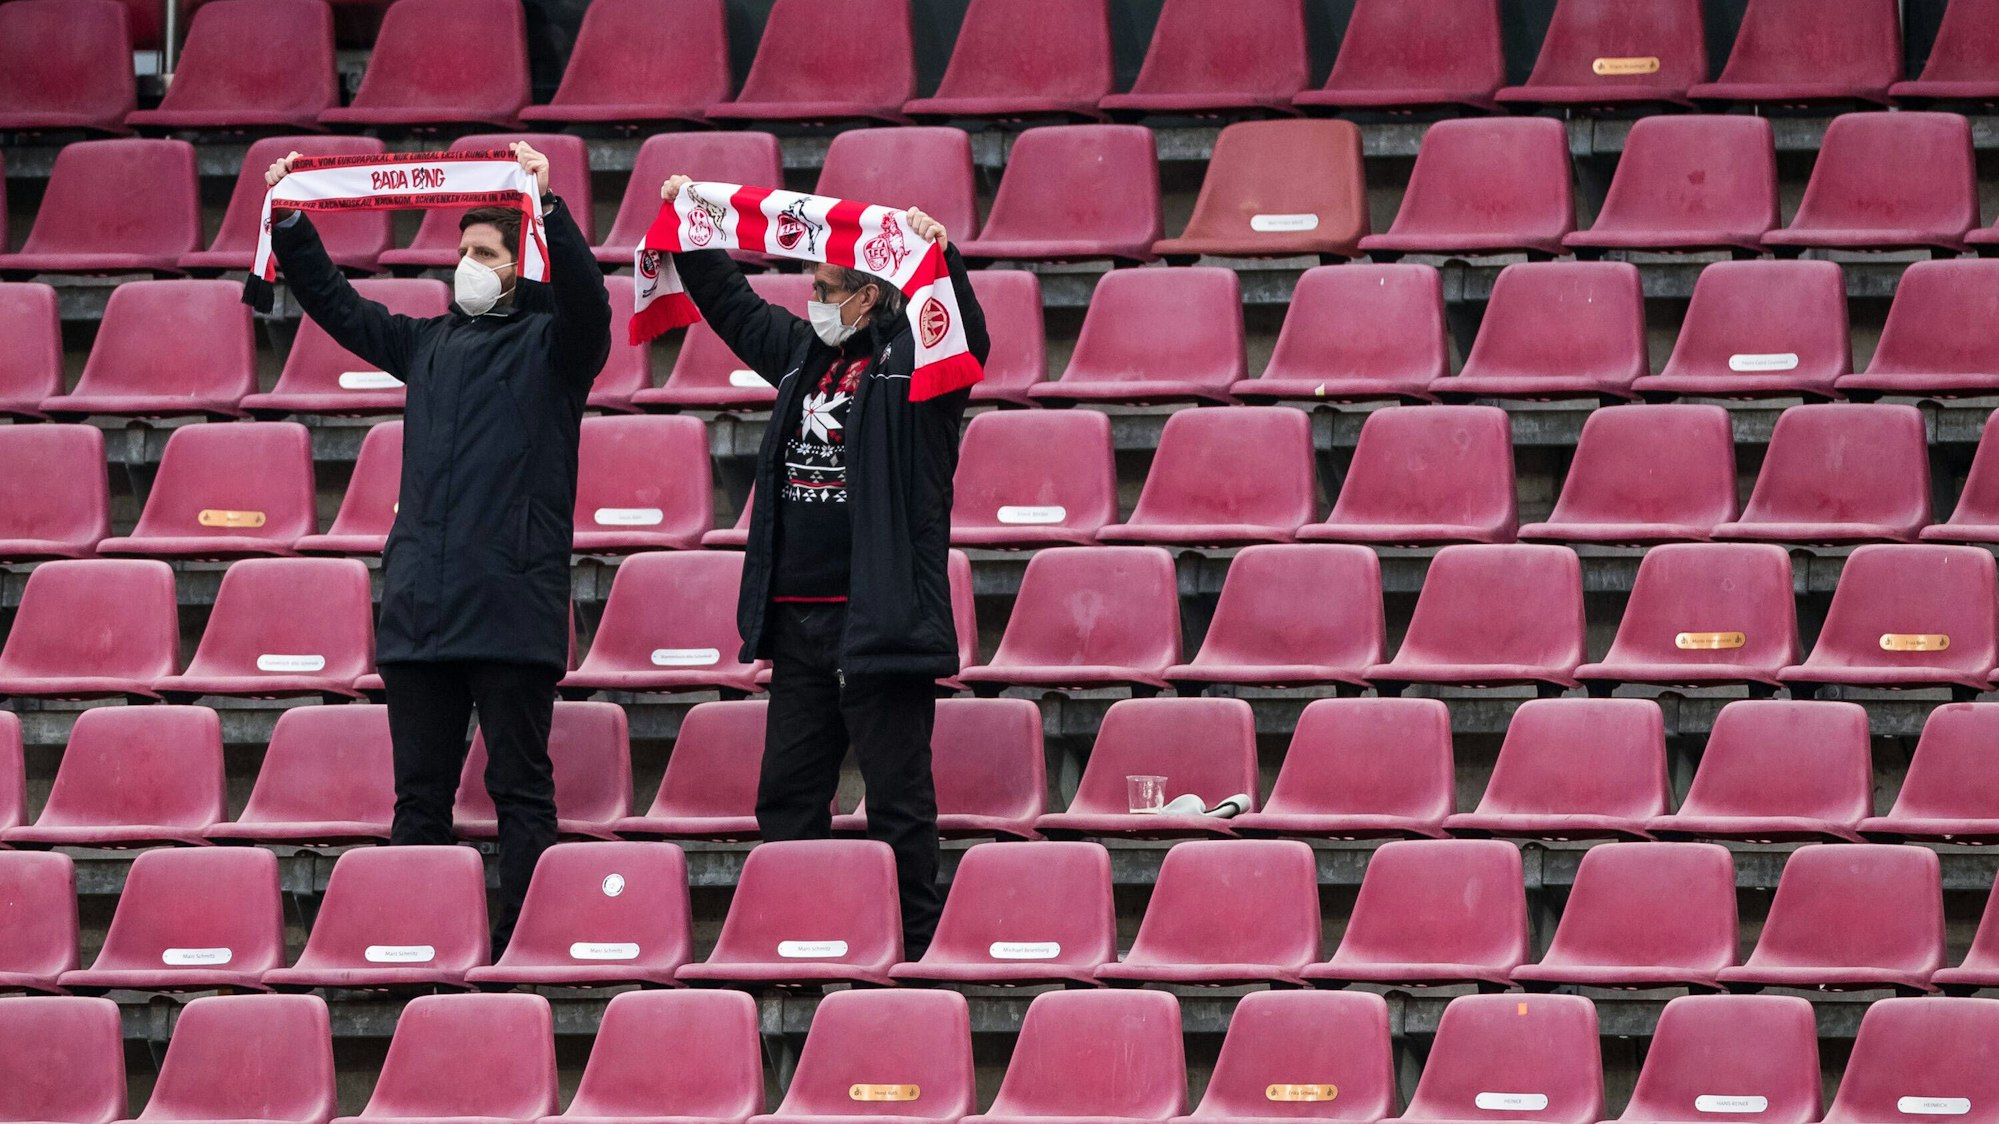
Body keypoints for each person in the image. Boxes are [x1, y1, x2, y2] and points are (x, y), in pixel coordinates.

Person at [264, 143, 612, 953]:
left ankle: (524, 948)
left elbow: (590, 304)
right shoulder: (425, 343)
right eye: (463, 253)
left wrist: (548, 210)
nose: (466, 266)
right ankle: (417, 946)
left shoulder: (556, 350)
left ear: (520, 264)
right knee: (418, 800)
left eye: (485, 253)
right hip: (421, 610)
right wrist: (291, 226)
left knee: (518, 790)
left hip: (510, 607)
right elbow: (336, 305)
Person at [659, 174, 989, 957]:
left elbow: (965, 337)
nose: (812, 299)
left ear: (869, 298)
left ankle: (916, 953)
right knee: (786, 798)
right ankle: (792, 938)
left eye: (825, 288)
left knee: (898, 805)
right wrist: (690, 222)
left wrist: (944, 261)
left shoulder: (918, 369)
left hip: (879, 625)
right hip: (798, 622)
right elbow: (731, 302)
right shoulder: (799, 356)